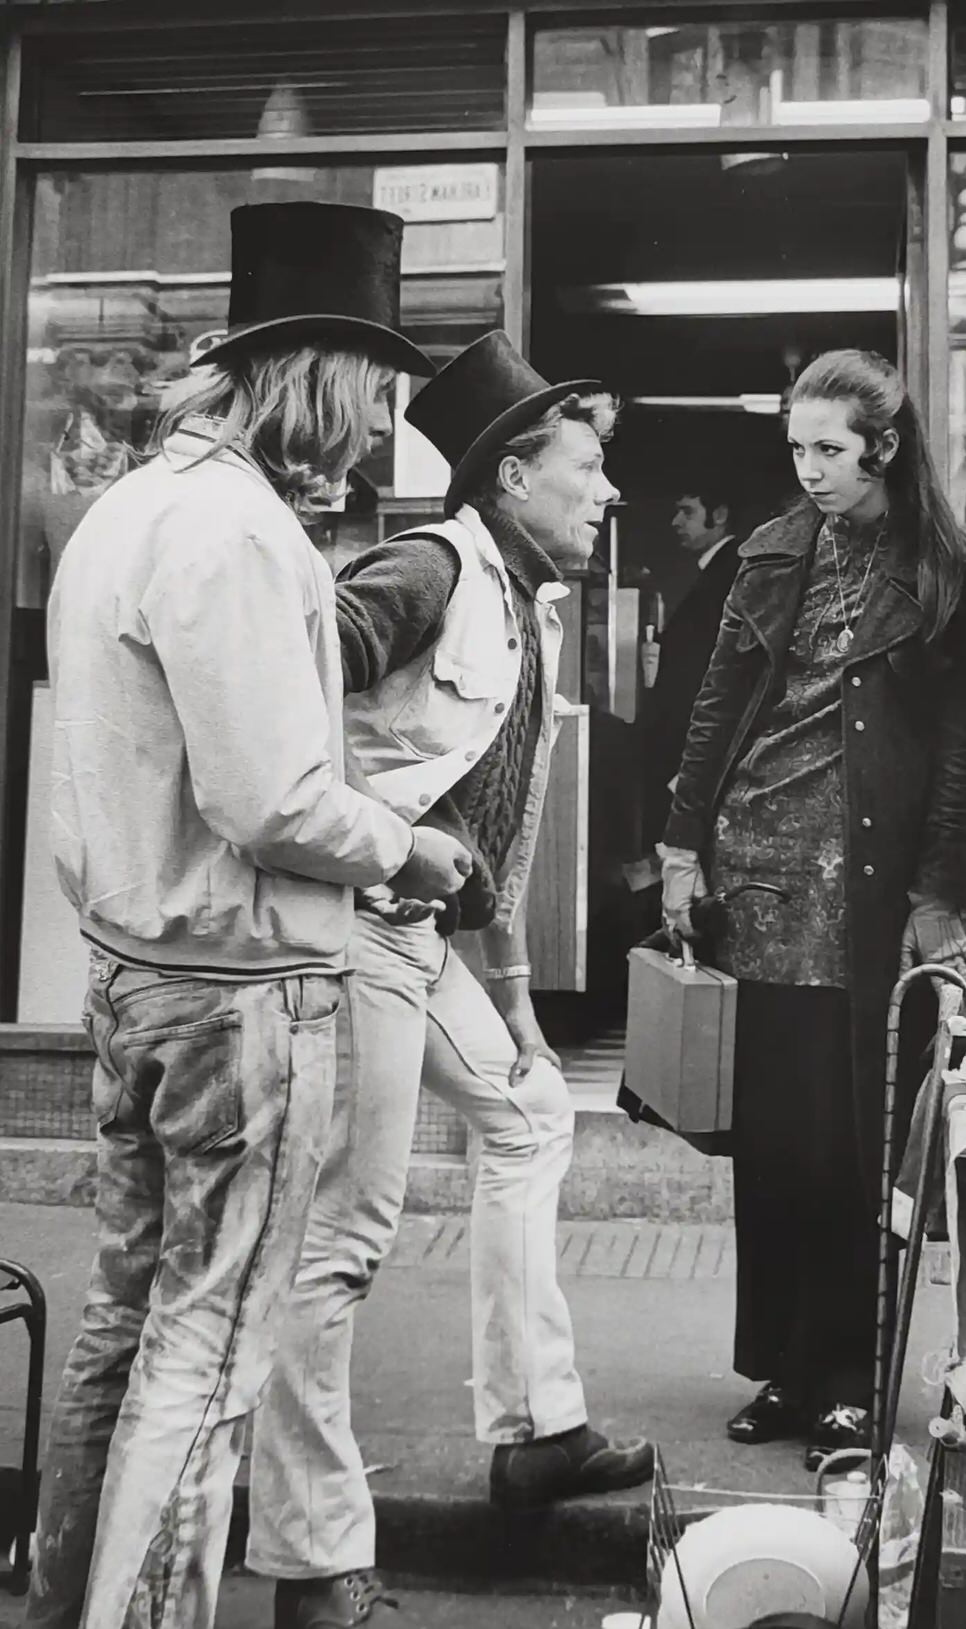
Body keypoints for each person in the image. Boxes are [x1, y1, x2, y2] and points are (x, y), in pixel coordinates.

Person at [27, 202, 471, 1629]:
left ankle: (59, 1601)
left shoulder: (126, 515)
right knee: (208, 1352)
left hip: (130, 966)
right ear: (329, 379)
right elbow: (274, 798)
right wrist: (411, 847)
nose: (381, 428)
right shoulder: (235, 532)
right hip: (233, 989)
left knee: (126, 1319)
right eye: (381, 394)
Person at [247, 331, 654, 1626]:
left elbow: (488, 836)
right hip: (345, 926)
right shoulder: (427, 568)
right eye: (586, 468)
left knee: (532, 1112)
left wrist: (523, 1005)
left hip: (419, 936)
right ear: (514, 475)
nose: (608, 493)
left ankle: (536, 1431)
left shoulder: (524, 607)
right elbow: (283, 688)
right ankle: (313, 1564)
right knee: (343, 1237)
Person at [659, 348, 966, 1469]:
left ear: (882, 448)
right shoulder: (769, 552)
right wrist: (677, 844)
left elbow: (957, 748)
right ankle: (788, 1372)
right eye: (795, 448)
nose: (807, 469)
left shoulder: (938, 572)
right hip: (757, 875)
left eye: (830, 451)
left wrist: (941, 891)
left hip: (867, 888)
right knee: (775, 1146)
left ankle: (850, 1377)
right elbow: (716, 704)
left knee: (855, 1145)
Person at [642, 483, 744, 849]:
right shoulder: (714, 571)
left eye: (687, 511)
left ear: (718, 516)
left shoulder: (728, 573)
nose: (675, 522)